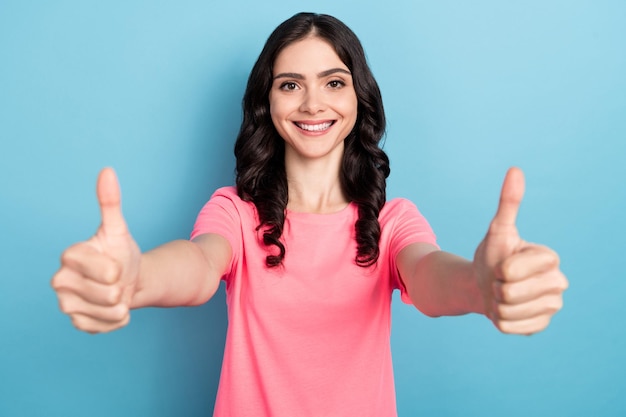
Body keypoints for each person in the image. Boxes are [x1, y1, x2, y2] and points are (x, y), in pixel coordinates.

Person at [51, 12, 568, 417]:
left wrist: (483, 285)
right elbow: (198, 266)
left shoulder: (392, 221)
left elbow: (432, 278)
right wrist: (133, 279)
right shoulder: (234, 212)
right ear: (267, 102)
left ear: (358, 97)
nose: (313, 103)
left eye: (334, 82)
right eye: (290, 84)